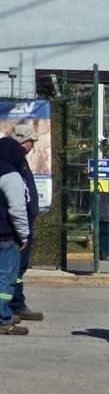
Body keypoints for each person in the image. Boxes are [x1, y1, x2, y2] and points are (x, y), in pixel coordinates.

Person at [9, 124, 43, 321]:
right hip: (16, 224)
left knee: (19, 267)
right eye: (31, 142)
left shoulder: (21, 161)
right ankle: (11, 306)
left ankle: (16, 303)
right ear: (23, 141)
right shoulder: (11, 161)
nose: (32, 147)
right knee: (12, 267)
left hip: (25, 221)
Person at [0, 137, 31, 335]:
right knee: (5, 280)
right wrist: (24, 236)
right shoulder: (10, 174)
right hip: (6, 237)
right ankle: (3, 319)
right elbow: (17, 209)